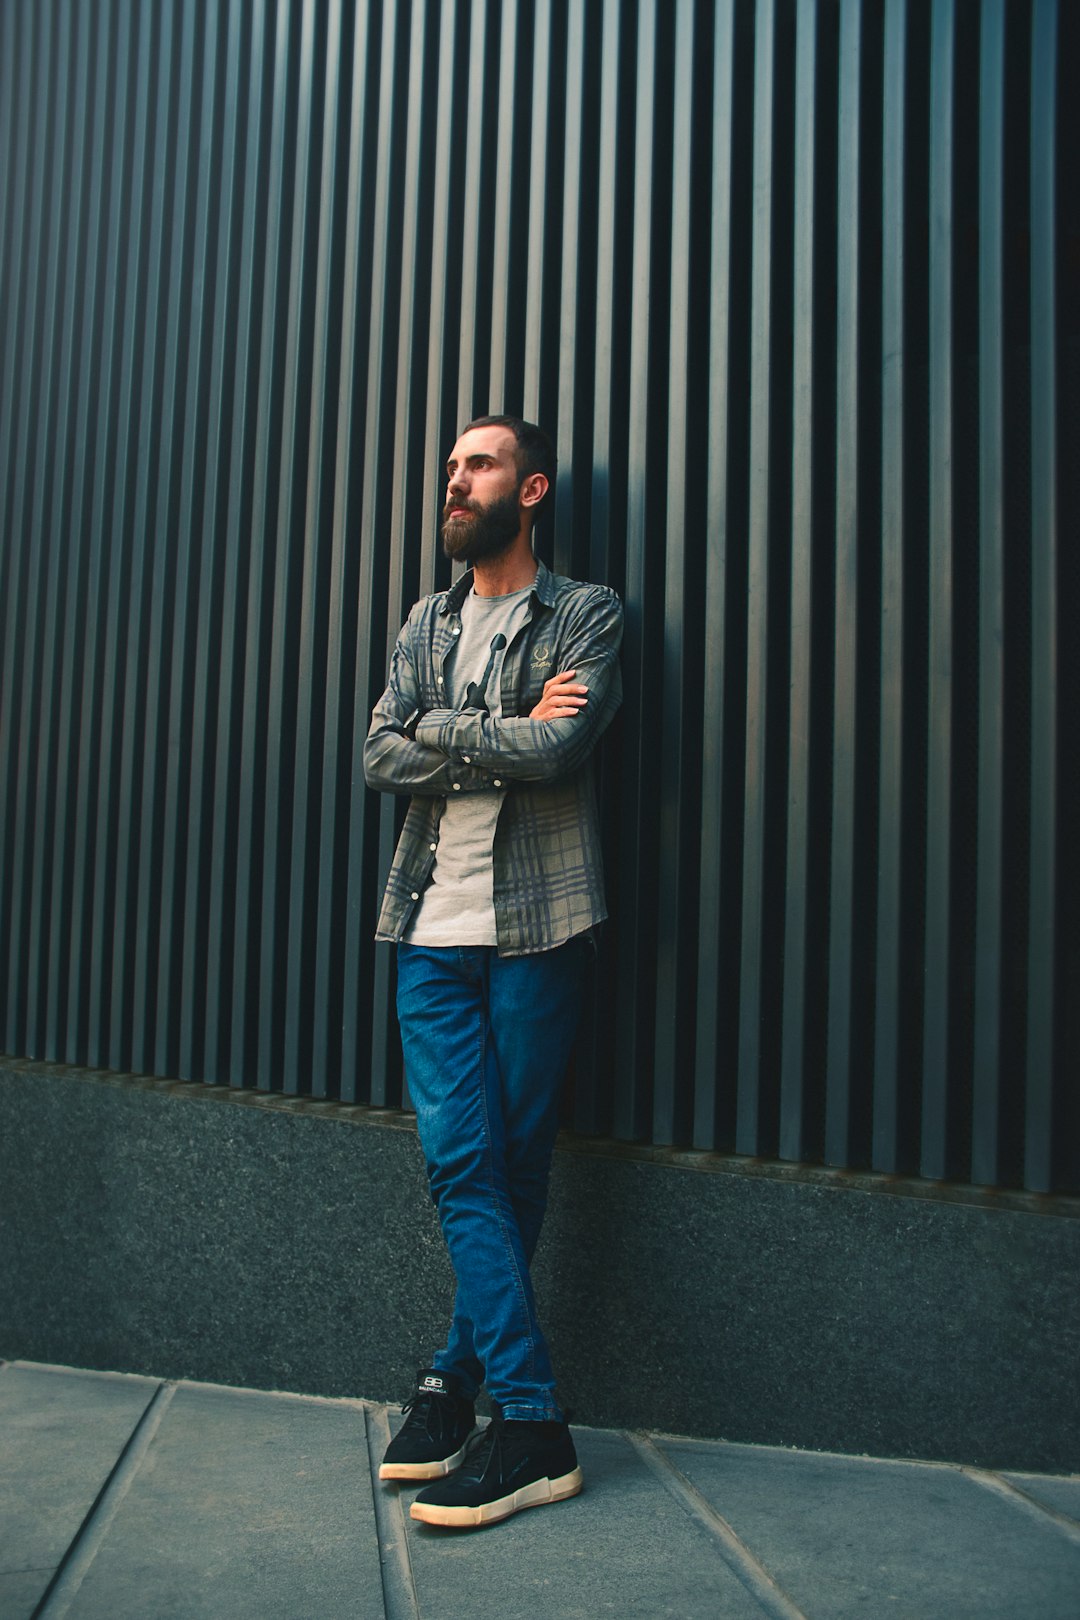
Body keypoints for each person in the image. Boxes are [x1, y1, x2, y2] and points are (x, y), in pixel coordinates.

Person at [363, 414, 623, 1528]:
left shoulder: (584, 613)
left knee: (511, 1167)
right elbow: (377, 751)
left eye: (478, 465)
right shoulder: (427, 619)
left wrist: (446, 729)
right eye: (453, 467)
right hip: (429, 927)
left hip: (538, 928)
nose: (455, 482)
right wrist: (502, 723)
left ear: (532, 489)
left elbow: (566, 749)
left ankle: (448, 1385)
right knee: (461, 1162)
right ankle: (529, 1418)